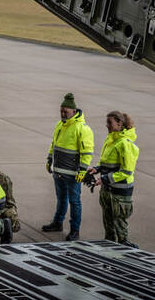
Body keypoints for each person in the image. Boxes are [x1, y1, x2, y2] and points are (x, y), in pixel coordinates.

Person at [43, 93, 94, 241]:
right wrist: (49, 159)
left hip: (73, 174)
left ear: (74, 111)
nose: (63, 114)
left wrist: (83, 170)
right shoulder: (60, 125)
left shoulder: (82, 128)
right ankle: (58, 223)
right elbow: (54, 144)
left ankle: (75, 230)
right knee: (61, 199)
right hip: (58, 171)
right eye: (61, 111)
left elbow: (87, 152)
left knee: (74, 201)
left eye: (66, 111)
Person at [87, 111, 139, 246]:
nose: (107, 125)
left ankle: (125, 251)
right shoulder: (111, 139)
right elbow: (108, 163)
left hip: (119, 193)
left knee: (120, 226)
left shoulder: (125, 144)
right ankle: (109, 249)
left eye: (110, 122)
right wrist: (97, 169)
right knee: (108, 224)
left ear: (119, 123)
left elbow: (126, 171)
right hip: (108, 190)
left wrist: (104, 179)